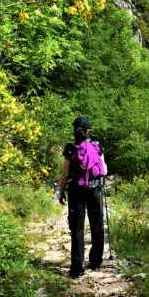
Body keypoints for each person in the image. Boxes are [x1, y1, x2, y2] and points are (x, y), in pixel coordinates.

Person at [58, 116, 107, 278]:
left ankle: (77, 268)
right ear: (89, 131)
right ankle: (95, 262)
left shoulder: (70, 148)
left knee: (77, 229)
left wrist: (60, 191)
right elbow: (104, 170)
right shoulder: (97, 146)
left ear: (74, 130)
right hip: (95, 190)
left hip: (76, 191)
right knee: (97, 226)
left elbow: (65, 173)